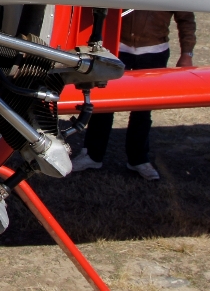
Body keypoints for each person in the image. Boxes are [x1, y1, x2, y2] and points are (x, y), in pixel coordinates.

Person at [72, 10, 196, 180]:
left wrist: (186, 54)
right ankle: (92, 155)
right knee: (104, 104)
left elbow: (186, 18)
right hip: (117, 47)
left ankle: (139, 159)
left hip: (154, 52)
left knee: (143, 110)